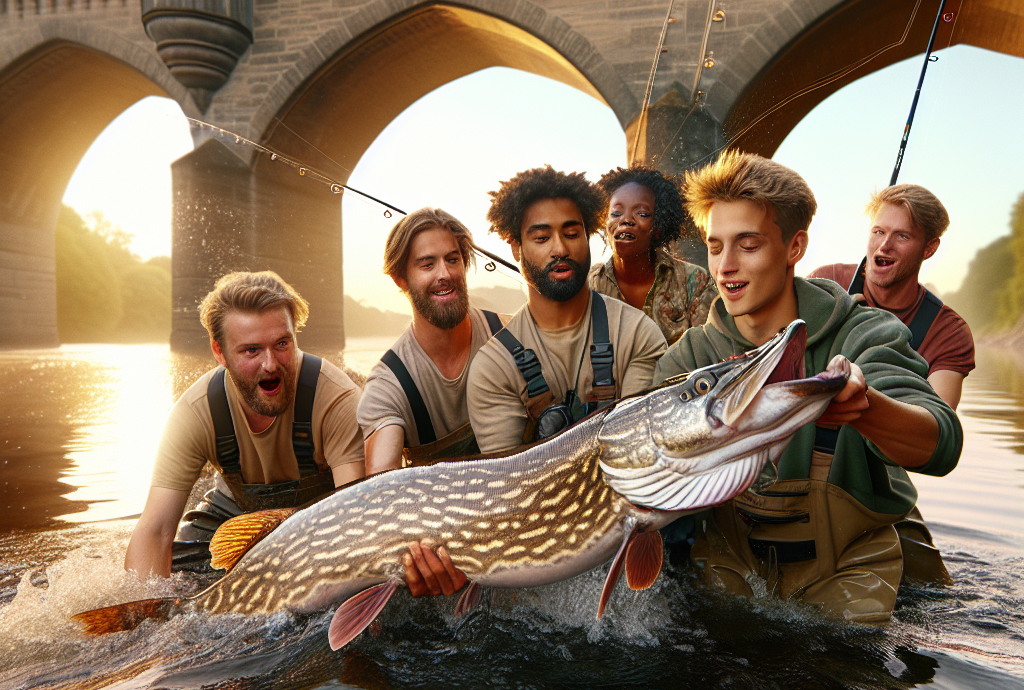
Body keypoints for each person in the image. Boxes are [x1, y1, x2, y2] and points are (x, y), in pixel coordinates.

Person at [653, 152, 962, 624]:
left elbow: (941, 444)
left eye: (748, 245)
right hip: (731, 565)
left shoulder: (866, 334)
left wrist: (865, 408)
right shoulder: (689, 357)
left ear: (795, 246)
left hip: (850, 568)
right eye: (715, 247)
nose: (725, 266)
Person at [124, 271, 364, 578]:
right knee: (184, 577)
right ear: (219, 353)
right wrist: (146, 601)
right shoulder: (194, 412)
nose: (270, 364)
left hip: (320, 517)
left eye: (282, 343)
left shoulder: (338, 400)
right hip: (232, 516)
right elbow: (155, 530)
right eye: (251, 350)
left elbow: (353, 520)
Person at [466, 166, 667, 453]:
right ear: (515, 248)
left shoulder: (638, 335)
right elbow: (506, 475)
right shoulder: (493, 368)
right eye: (542, 238)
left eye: (572, 234)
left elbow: (639, 453)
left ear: (587, 237)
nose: (560, 249)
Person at [358, 208, 507, 474]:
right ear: (400, 279)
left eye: (453, 259)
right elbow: (382, 484)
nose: (445, 274)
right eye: (428, 264)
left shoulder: (511, 334)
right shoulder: (387, 385)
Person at [808, 185, 975, 410]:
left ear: (929, 248)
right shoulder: (825, 284)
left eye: (902, 236)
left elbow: (936, 424)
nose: (885, 245)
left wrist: (858, 396)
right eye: (878, 232)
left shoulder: (948, 332)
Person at [589, 166, 717, 345]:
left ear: (658, 227)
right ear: (605, 221)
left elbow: (709, 351)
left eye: (642, 213)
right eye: (616, 213)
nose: (626, 220)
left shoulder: (694, 282)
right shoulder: (589, 286)